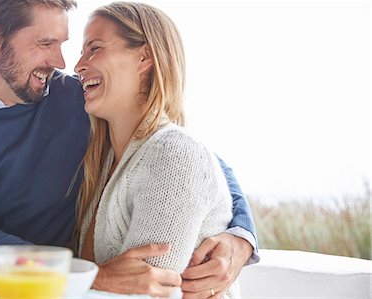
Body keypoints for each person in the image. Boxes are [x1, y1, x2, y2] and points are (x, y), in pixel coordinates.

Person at [0, 0, 258, 297]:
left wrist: (241, 237)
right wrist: (88, 276)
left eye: (64, 43)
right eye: (45, 43)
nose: (61, 61)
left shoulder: (79, 97)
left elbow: (189, 156)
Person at [73, 2, 245, 298]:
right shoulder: (106, 162)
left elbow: (146, 292)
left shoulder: (174, 154)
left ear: (144, 57)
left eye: (95, 48)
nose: (78, 66)